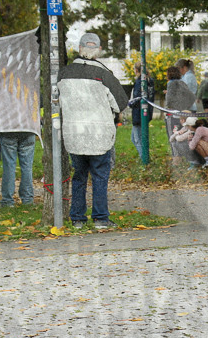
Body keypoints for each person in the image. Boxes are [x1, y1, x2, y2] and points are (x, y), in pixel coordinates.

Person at [57, 32, 130, 229]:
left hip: (74, 134)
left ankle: (77, 218)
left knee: (79, 175)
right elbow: (120, 104)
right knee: (99, 176)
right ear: (98, 50)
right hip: (99, 135)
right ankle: (100, 218)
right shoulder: (105, 74)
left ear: (79, 49)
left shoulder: (64, 73)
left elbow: (56, 101)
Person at [164, 66, 196, 165]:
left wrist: (173, 106)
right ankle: (186, 157)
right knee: (182, 135)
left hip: (172, 114)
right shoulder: (182, 83)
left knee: (173, 136)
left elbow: (169, 101)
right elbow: (191, 96)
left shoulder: (170, 84)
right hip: (182, 114)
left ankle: (176, 159)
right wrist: (183, 107)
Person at [0, 132, 36, 207]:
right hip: (28, 129)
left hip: (9, 130)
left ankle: (7, 201)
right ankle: (27, 199)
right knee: (27, 167)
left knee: (9, 166)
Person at [130, 62, 154, 158]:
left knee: (137, 139)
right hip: (148, 111)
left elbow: (136, 98)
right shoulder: (150, 81)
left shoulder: (140, 81)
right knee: (137, 137)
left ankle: (144, 157)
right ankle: (144, 156)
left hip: (138, 113)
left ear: (136, 70)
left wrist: (130, 103)